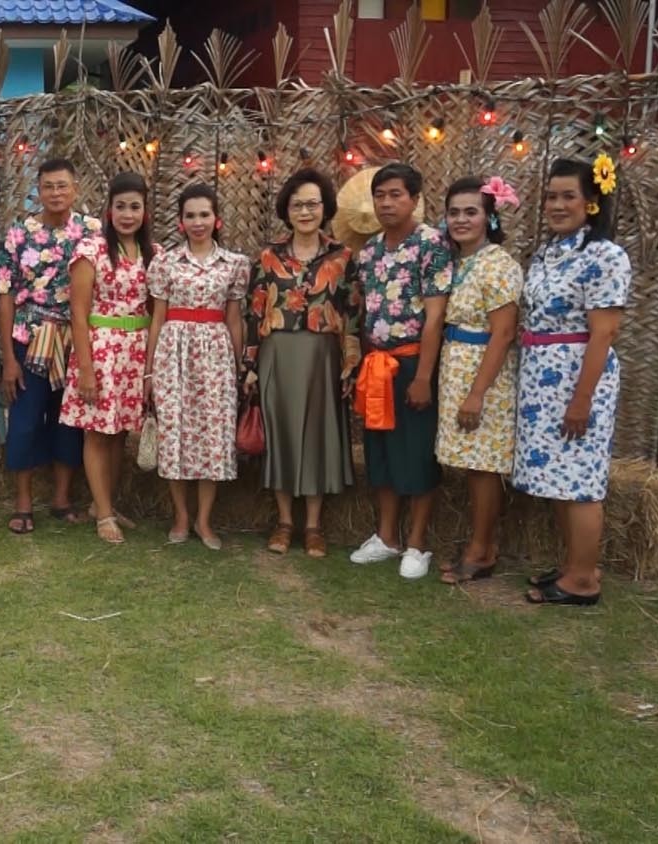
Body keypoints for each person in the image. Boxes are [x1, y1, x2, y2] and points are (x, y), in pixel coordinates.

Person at [515, 156, 632, 606]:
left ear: (592, 202)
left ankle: (584, 580)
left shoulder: (604, 255)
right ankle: (573, 567)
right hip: (542, 380)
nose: (557, 204)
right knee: (559, 478)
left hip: (576, 377)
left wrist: (582, 399)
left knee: (580, 480)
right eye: (551, 196)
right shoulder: (550, 251)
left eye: (569, 196)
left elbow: (604, 331)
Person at [245, 169, 360, 558]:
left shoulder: (343, 257)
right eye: (298, 204)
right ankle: (283, 522)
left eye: (312, 203)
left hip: (322, 357)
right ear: (286, 210)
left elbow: (353, 313)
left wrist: (350, 363)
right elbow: (253, 311)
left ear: (325, 207)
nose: (306, 211)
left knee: (316, 435)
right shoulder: (267, 256)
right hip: (277, 352)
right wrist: (249, 364)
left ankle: (313, 527)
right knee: (282, 435)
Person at [349, 163, 455, 579]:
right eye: (381, 195)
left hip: (413, 362)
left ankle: (417, 543)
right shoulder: (370, 251)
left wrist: (423, 377)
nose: (387, 202)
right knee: (382, 455)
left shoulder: (432, 245)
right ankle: (386, 537)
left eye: (396, 194)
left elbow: (434, 319)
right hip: (376, 364)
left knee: (417, 454)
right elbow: (363, 313)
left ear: (414, 199)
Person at [0, 159, 100, 534]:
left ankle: (61, 497)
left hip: (75, 342)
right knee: (23, 421)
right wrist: (8, 356)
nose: (56, 193)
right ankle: (22, 502)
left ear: (75, 188)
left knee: (67, 420)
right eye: (48, 187)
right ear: (38, 190)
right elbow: (5, 295)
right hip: (28, 339)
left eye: (63, 186)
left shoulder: (92, 232)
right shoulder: (18, 234)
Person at [145, 184, 248, 550]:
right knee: (175, 435)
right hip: (174, 353)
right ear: (180, 221)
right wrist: (150, 370)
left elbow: (234, 319)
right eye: (191, 215)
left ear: (216, 218)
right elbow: (157, 318)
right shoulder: (165, 263)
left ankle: (204, 520)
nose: (198, 221)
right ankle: (181, 516)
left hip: (216, 356)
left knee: (213, 440)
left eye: (204, 214)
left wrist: (238, 368)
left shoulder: (235, 264)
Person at [60, 172, 161, 544]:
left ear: (145, 211)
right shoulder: (92, 251)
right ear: (109, 210)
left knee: (119, 432)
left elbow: (156, 308)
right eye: (121, 206)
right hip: (101, 351)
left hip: (135, 352)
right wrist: (86, 369)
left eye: (135, 207)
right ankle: (102, 513)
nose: (128, 214)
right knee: (98, 433)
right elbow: (78, 312)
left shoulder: (155, 254)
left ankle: (107, 504)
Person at [435, 176, 524, 584]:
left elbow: (503, 332)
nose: (461, 219)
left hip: (482, 375)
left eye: (471, 211)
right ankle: (480, 543)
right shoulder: (460, 262)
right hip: (458, 365)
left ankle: (482, 550)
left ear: (489, 217)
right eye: (454, 212)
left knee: (484, 467)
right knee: (472, 464)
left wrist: (476, 393)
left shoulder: (499, 264)